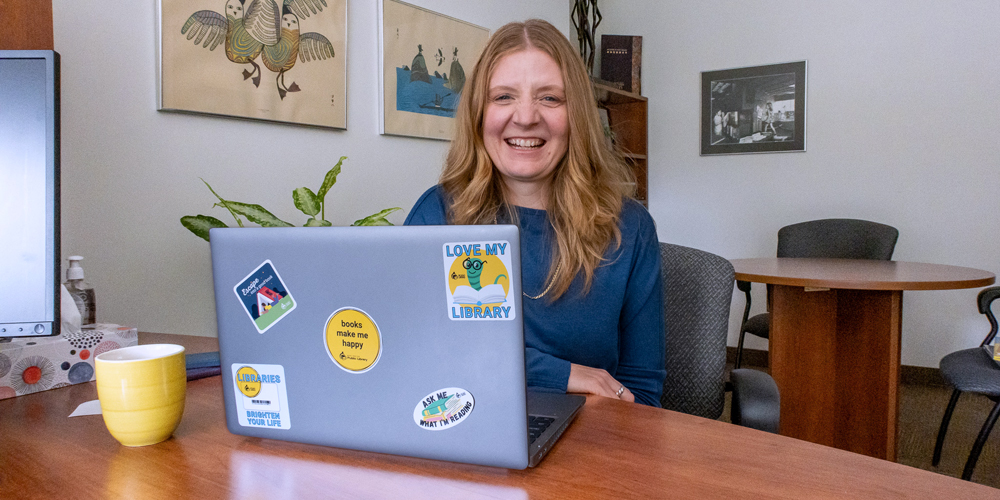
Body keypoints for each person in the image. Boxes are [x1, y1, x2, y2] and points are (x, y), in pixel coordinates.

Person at [404, 19, 665, 407]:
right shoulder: (439, 212)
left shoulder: (630, 227)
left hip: (590, 440)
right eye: (504, 97)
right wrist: (564, 375)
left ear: (576, 114)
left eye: (550, 98)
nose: (525, 117)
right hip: (465, 429)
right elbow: (412, 350)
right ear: (478, 113)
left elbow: (641, 392)